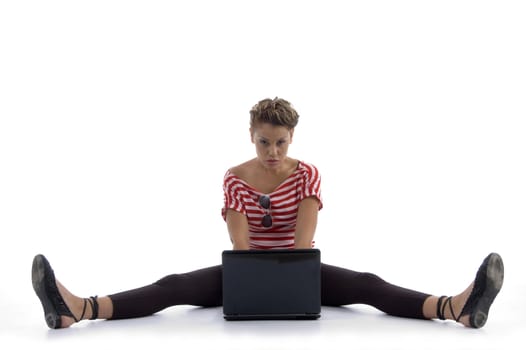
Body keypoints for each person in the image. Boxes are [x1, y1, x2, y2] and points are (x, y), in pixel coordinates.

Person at [32, 97, 504, 330]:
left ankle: (455, 308)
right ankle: (78, 309)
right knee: (173, 286)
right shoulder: (235, 177)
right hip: (248, 271)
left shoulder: (307, 175)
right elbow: (241, 247)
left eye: (281, 142)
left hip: (300, 270)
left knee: (366, 284)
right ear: (250, 135)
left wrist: (290, 279)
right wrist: (252, 279)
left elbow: (302, 244)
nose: (273, 151)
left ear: (291, 139)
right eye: (264, 141)